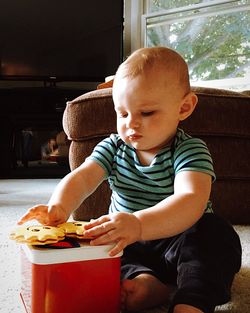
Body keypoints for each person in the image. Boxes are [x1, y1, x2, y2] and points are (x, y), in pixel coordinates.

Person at [18, 47, 242, 313]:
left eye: (146, 113)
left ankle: (191, 299)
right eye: (122, 114)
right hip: (127, 242)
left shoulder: (189, 150)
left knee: (216, 236)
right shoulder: (113, 147)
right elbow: (82, 178)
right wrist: (59, 207)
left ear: (184, 108)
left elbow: (190, 200)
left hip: (182, 239)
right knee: (99, 249)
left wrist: (138, 222)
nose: (131, 124)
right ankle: (148, 284)